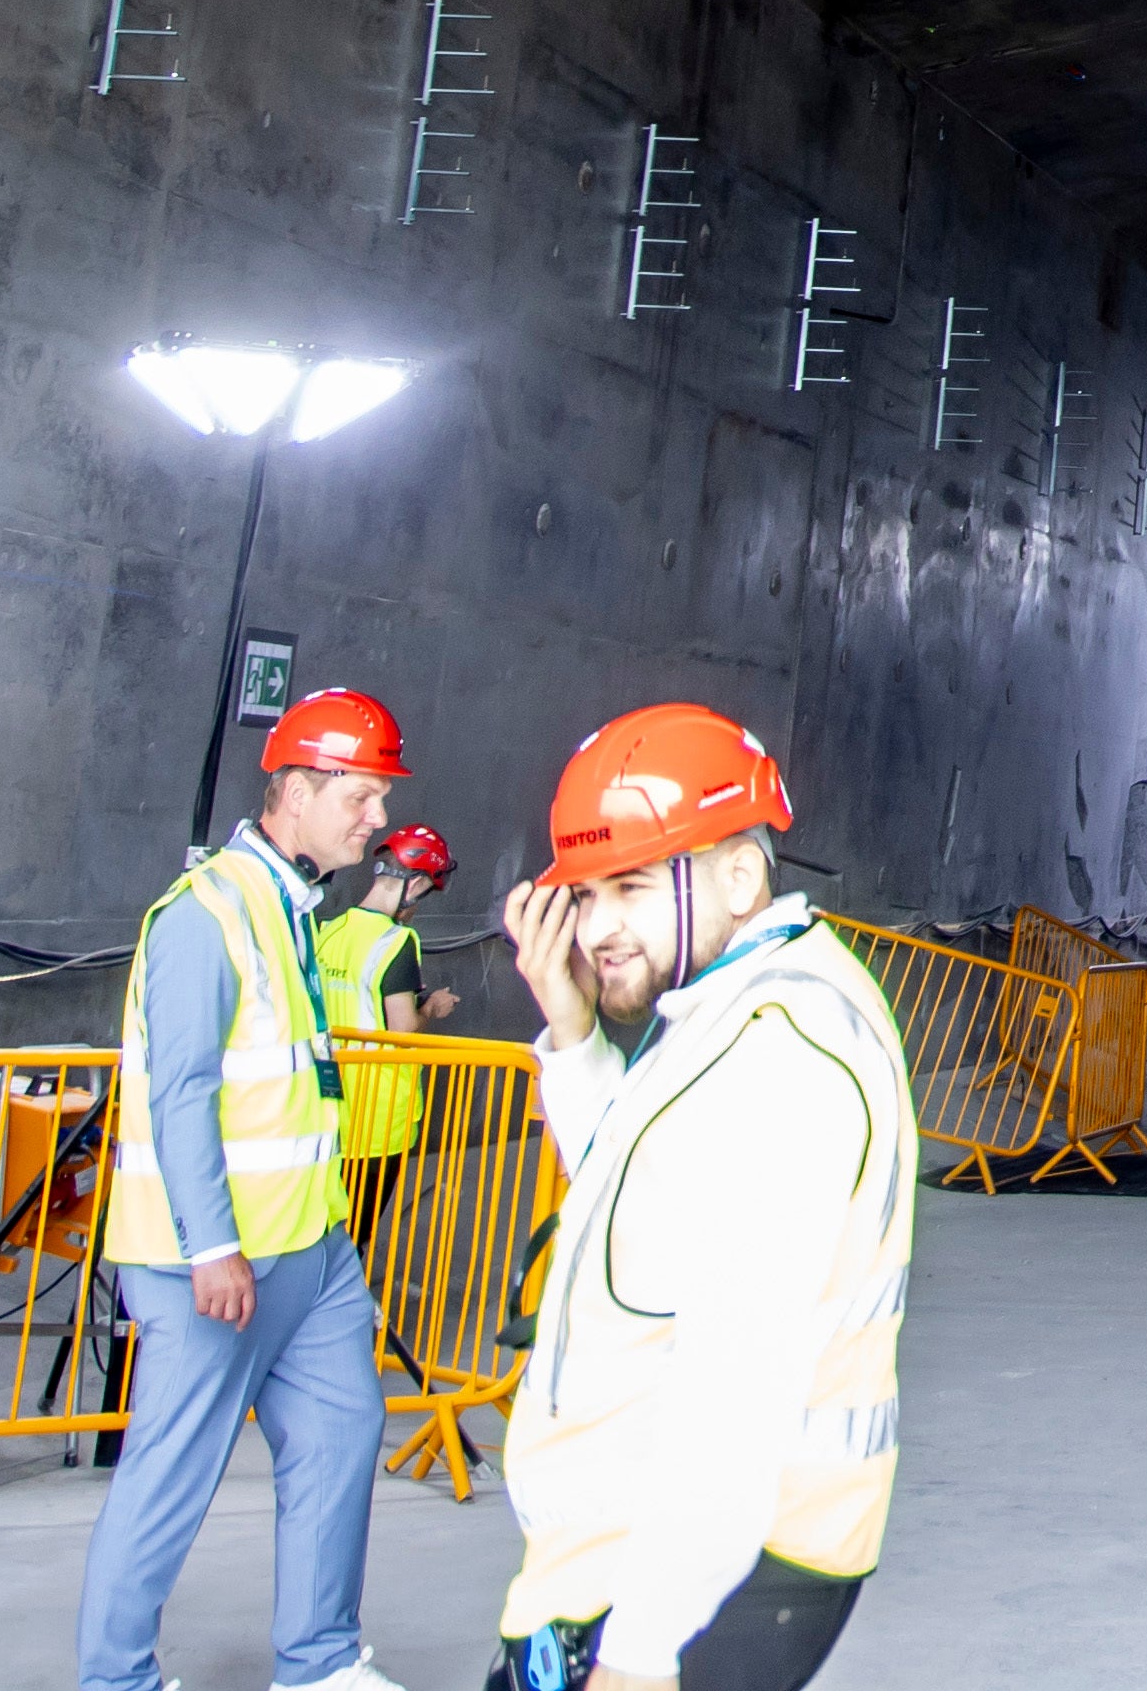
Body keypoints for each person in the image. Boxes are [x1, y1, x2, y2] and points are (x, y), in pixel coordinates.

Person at [486, 701, 918, 1691]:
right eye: (584, 895)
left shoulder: (781, 1053)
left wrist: (641, 1655)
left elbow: (736, 1390)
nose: (597, 928)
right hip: (634, 1553)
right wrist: (571, 1033)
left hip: (718, 1569)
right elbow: (646, 1209)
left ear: (738, 872)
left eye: (630, 886)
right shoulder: (731, 1006)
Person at [77, 684, 419, 1691]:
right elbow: (179, 1090)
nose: (380, 819)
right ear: (298, 787)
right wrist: (210, 1243)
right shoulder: (204, 913)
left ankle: (317, 1663)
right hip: (213, 1265)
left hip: (310, 1253)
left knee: (344, 1433)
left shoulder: (290, 908)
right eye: (363, 796)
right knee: (169, 1478)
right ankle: (115, 1679)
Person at [320, 822, 459, 1295]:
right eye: (424, 892)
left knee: (323, 1232)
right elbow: (402, 1026)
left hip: (328, 1114)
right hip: (378, 1121)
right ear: (415, 882)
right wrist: (432, 1008)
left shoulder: (329, 932)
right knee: (351, 1238)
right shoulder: (397, 941)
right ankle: (339, 1318)